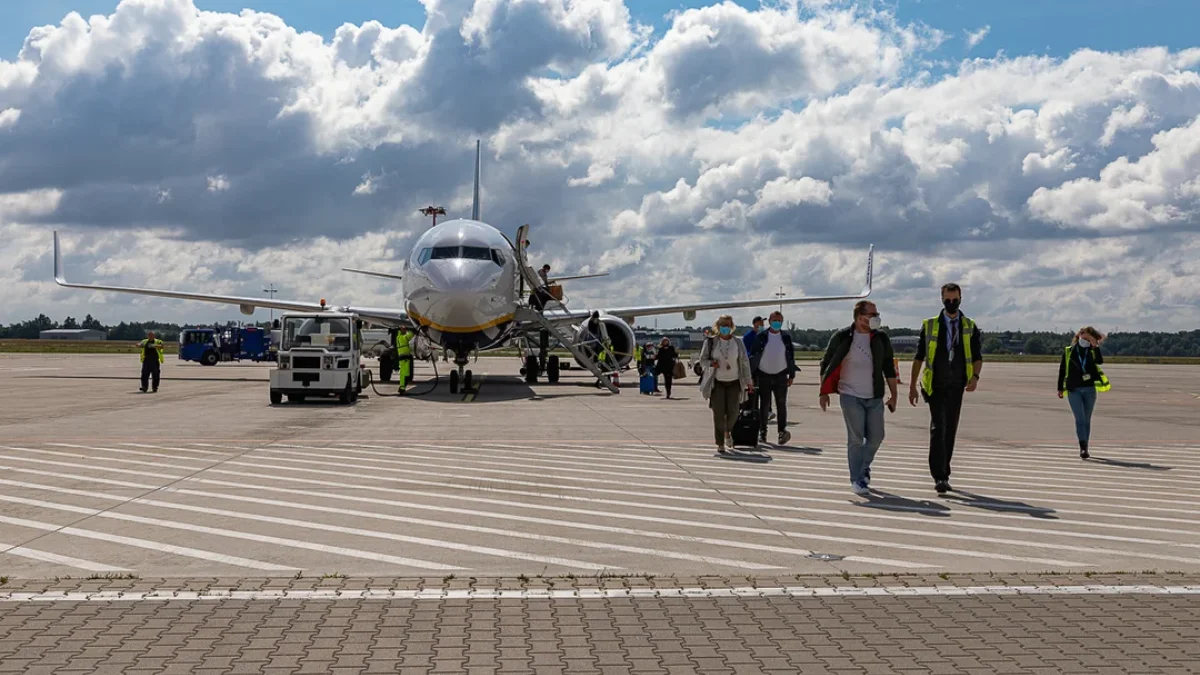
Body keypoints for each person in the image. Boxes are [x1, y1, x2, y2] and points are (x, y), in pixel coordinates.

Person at [908, 283, 983, 494]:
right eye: (947, 300)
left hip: (957, 384)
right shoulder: (931, 325)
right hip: (934, 384)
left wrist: (975, 377)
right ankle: (939, 476)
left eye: (955, 299)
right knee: (938, 427)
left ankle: (945, 471)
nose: (951, 303)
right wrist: (912, 385)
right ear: (941, 299)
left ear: (961, 299)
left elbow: (977, 356)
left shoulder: (969, 326)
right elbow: (919, 357)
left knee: (950, 428)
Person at [819, 301, 898, 495]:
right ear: (860, 316)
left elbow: (888, 366)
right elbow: (827, 362)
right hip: (850, 394)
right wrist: (823, 391)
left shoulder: (880, 338)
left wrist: (893, 394)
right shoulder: (842, 336)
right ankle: (857, 479)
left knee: (876, 437)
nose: (876, 317)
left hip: (874, 396)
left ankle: (864, 466)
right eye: (872, 314)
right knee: (855, 438)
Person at [699, 315, 753, 454]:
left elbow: (745, 363)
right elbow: (702, 360)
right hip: (717, 383)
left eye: (728, 325)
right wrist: (712, 363)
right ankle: (720, 443)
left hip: (734, 381)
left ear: (732, 326)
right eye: (723, 325)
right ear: (718, 326)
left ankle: (727, 431)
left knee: (733, 412)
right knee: (718, 414)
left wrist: (748, 381)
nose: (726, 327)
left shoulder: (738, 342)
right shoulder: (711, 342)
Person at [1058, 326, 1110, 459]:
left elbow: (1100, 361)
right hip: (1074, 389)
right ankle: (1082, 447)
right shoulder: (1070, 351)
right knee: (1080, 419)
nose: (1084, 338)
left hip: (1089, 389)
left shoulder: (1092, 351)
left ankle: (1085, 445)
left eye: (1087, 337)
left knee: (1087, 420)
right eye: (1082, 335)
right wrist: (1060, 388)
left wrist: (1095, 346)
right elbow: (1063, 369)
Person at [749, 311, 798, 445]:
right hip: (764, 375)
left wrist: (791, 374)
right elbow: (753, 355)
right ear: (769, 321)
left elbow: (791, 357)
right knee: (764, 405)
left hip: (781, 375)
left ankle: (782, 431)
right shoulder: (761, 336)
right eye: (775, 320)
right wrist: (752, 375)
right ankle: (762, 432)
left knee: (781, 404)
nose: (777, 323)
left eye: (780, 320)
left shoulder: (786, 337)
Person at [395, 324, 415, 393]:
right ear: (400, 330)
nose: (405, 330)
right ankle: (402, 388)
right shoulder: (403, 338)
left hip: (402, 357)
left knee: (403, 373)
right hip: (405, 358)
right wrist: (412, 329)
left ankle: (402, 387)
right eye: (403, 329)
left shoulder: (398, 337)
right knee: (405, 374)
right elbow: (410, 335)